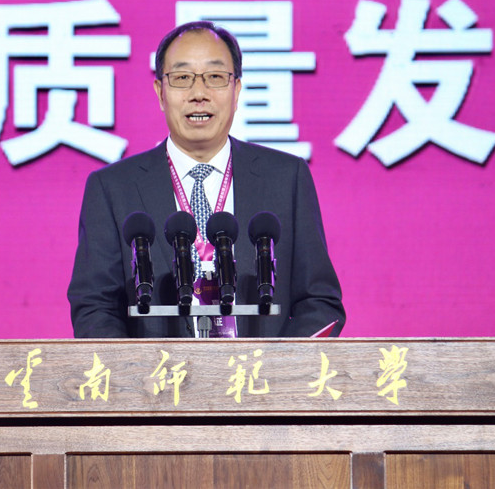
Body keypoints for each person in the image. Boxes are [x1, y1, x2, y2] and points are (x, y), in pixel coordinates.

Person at [68, 21, 344, 338]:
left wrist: (276, 364)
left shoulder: (286, 179)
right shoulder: (112, 188)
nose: (199, 94)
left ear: (236, 90)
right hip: (156, 370)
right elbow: (94, 308)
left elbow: (319, 302)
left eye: (215, 77)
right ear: (160, 92)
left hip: (263, 369)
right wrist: (140, 368)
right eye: (182, 78)